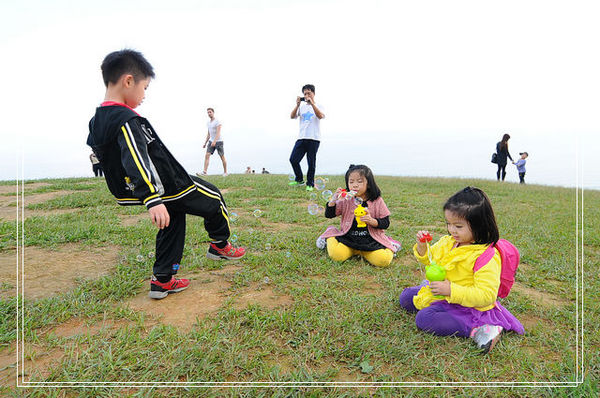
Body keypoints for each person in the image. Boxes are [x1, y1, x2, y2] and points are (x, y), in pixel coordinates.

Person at [87, 49, 245, 300]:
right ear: (128, 81)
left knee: (172, 222)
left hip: (153, 188)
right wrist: (152, 198)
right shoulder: (126, 118)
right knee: (213, 197)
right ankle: (220, 245)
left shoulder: (98, 119)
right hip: (168, 184)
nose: (144, 95)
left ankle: (162, 281)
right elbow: (134, 157)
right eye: (145, 87)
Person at [398, 187, 524, 354]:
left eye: (458, 226)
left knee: (424, 318)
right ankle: (432, 290)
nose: (452, 230)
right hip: (445, 294)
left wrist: (450, 289)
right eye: (448, 224)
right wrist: (422, 247)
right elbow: (431, 260)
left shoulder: (486, 256)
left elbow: (486, 295)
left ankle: (481, 330)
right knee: (406, 298)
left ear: (480, 225)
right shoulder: (448, 242)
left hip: (468, 307)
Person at [316, 165, 400, 267]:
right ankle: (330, 235)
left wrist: (371, 221)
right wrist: (333, 200)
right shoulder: (346, 199)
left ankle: (390, 242)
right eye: (351, 182)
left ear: (368, 183)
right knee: (336, 256)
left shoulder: (377, 200)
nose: (355, 185)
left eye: (359, 181)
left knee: (383, 261)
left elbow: (386, 223)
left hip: (371, 241)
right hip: (349, 239)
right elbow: (329, 214)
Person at [288, 84, 325, 191]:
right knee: (293, 159)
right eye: (305, 94)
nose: (307, 95)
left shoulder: (319, 105)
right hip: (301, 137)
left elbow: (320, 116)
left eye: (309, 93)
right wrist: (297, 105)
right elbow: (292, 116)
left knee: (311, 163)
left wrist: (312, 104)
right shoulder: (301, 106)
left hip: (314, 138)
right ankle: (299, 179)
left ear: (314, 93)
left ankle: (310, 184)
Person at [199, 108, 228, 177]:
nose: (209, 114)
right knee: (207, 155)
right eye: (208, 113)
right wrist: (205, 143)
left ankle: (225, 172)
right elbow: (209, 134)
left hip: (219, 141)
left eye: (210, 112)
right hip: (211, 141)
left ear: (213, 112)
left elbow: (218, 133)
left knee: (222, 156)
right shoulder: (208, 123)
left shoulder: (218, 121)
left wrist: (215, 141)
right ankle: (204, 172)